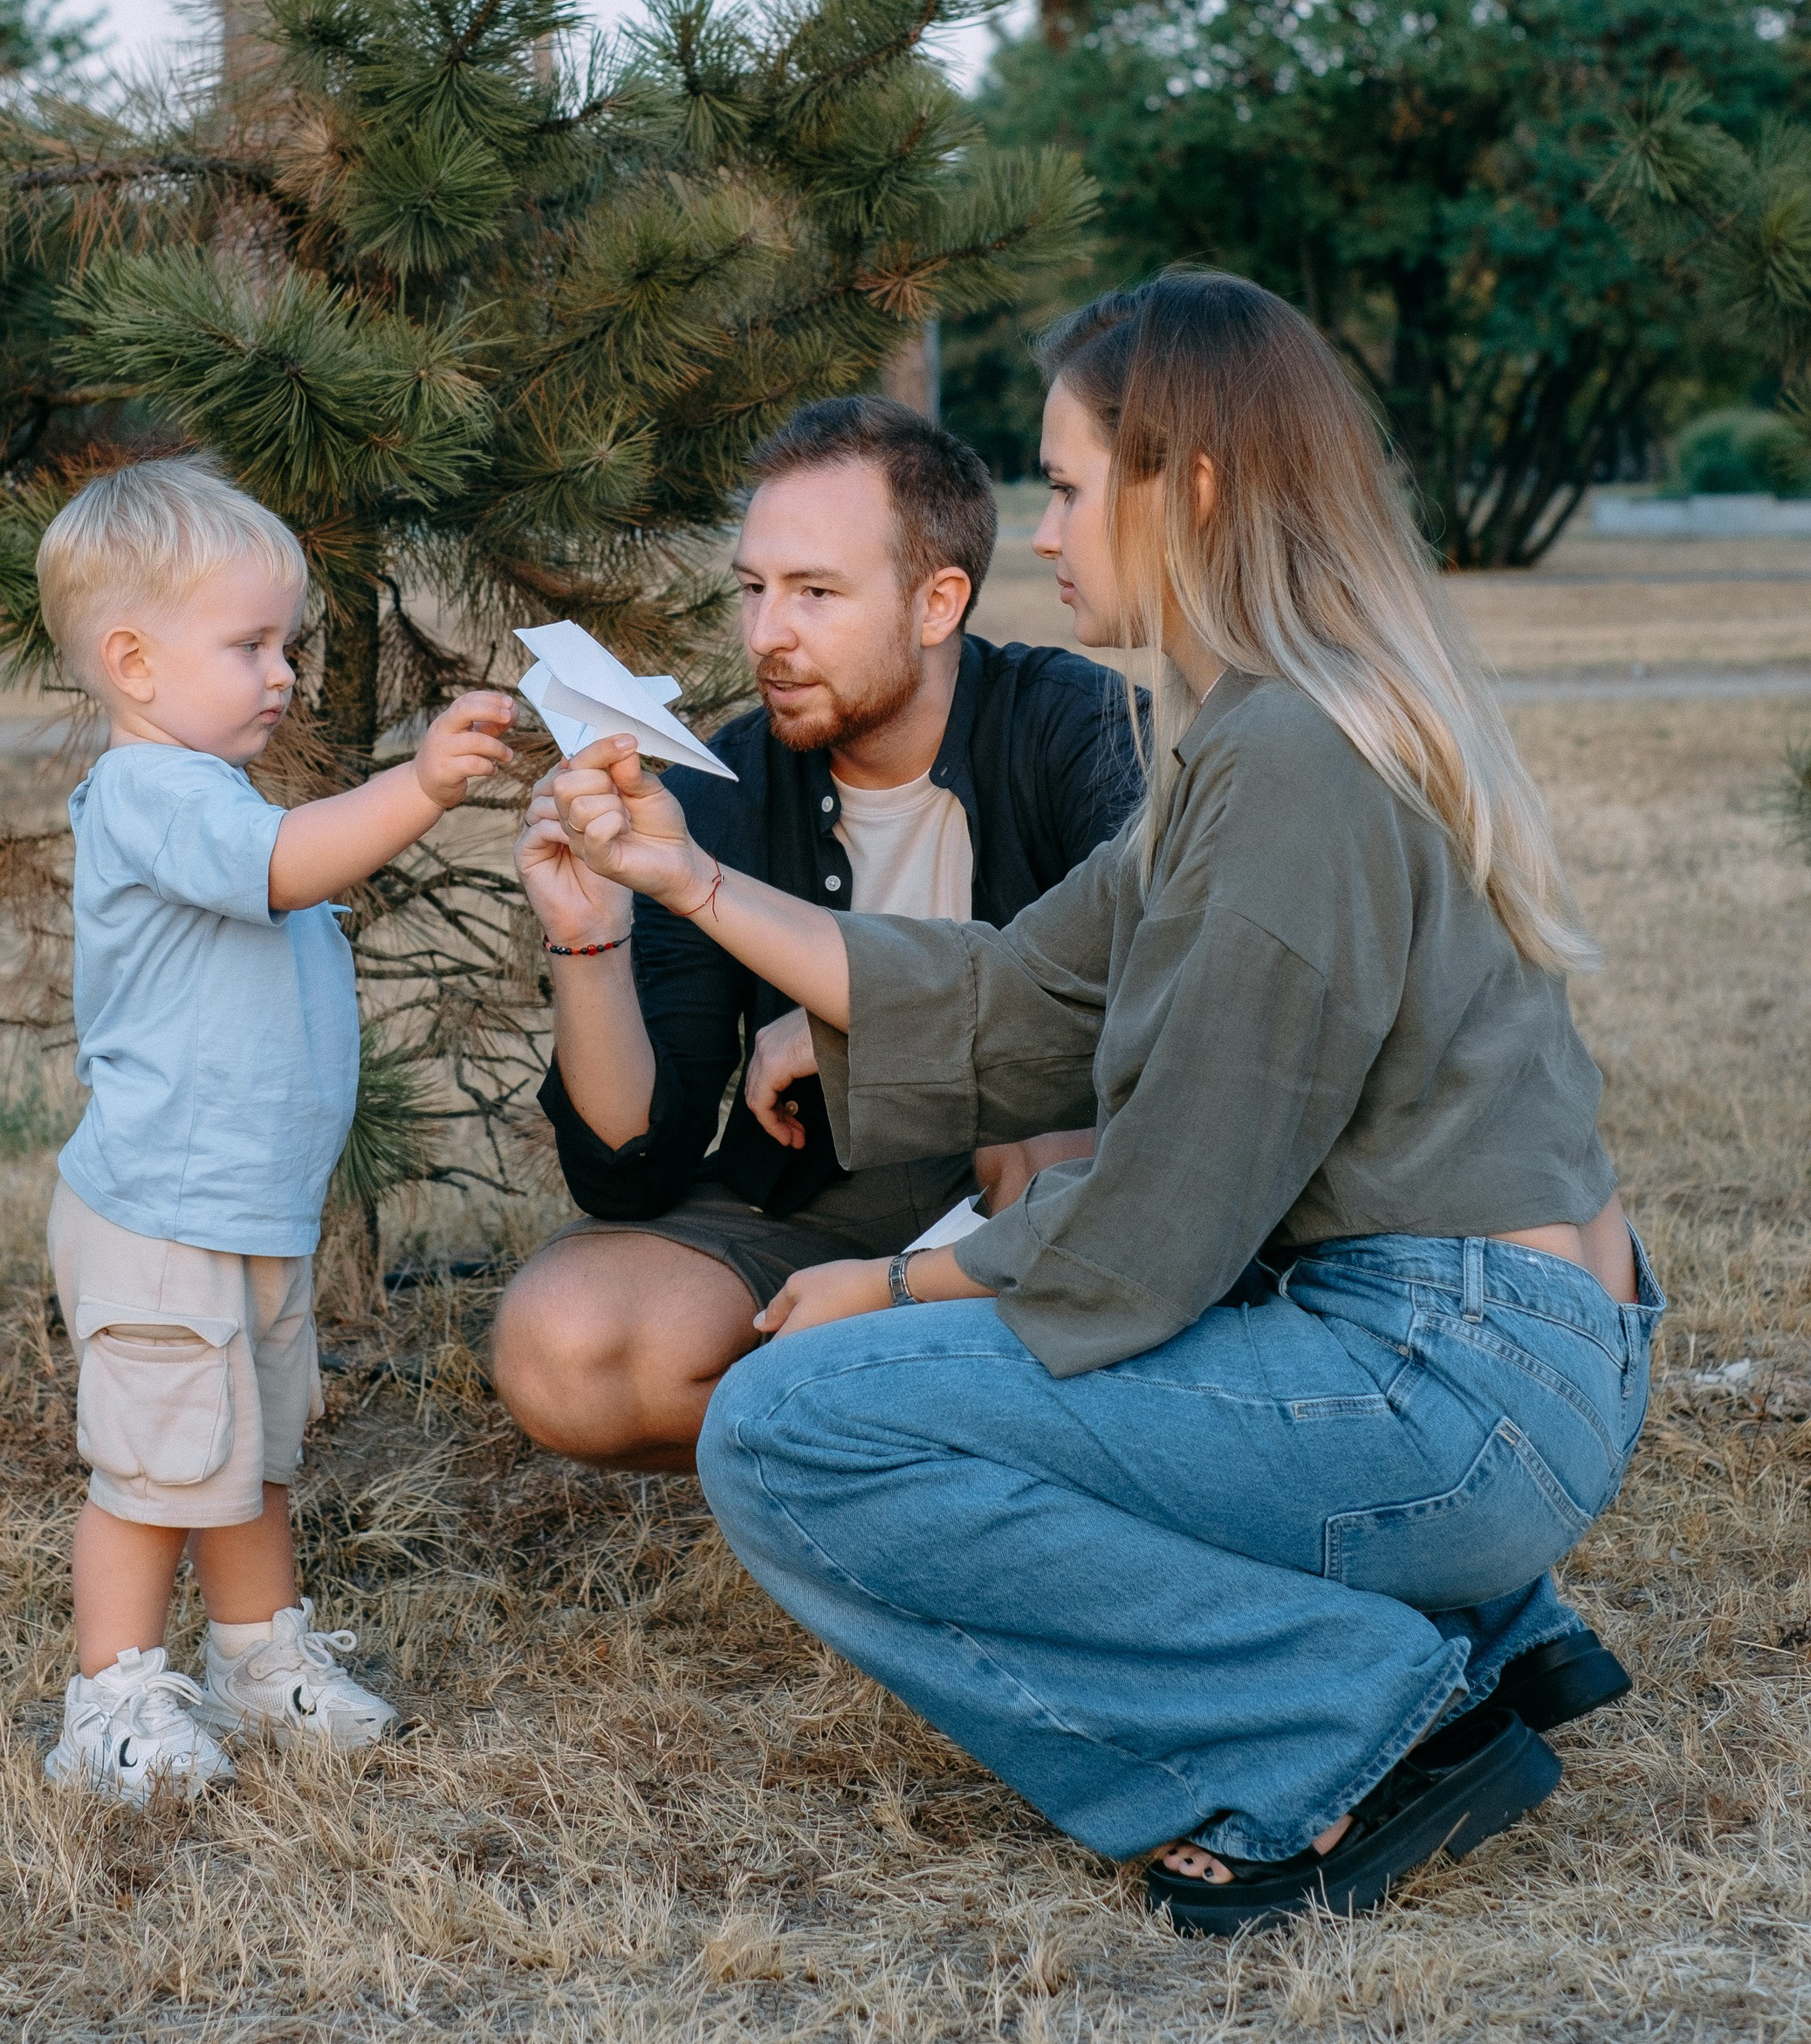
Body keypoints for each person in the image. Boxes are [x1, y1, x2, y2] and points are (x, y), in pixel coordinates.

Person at [537, 276, 1657, 1936]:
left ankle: (1346, 1727)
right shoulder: (1263, 732)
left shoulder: (1288, 764)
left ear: (1188, 490)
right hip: (1501, 1358)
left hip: (1456, 1384)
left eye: (1067, 486)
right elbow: (1013, 1003)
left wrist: (888, 1287)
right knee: (904, 1370)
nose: (1041, 533)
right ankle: (1480, 1626)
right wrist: (685, 879)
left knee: (791, 1425)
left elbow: (1161, 1223)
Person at [496, 397, 1139, 1469]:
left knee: (1040, 1135)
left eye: (815, 594)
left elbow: (1151, 1002)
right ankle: (920, 1434)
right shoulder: (726, 789)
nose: (765, 637)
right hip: (826, 1194)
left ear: (937, 603)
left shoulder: (1080, 730)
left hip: (1050, 1196)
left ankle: (921, 1425)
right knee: (568, 1344)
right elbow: (631, 1175)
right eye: (752, 589)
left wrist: (849, 1033)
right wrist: (589, 938)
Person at [35, 455, 514, 1799]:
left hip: (243, 1202)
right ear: (132, 661)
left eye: (285, 644)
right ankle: (110, 1703)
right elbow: (286, 866)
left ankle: (258, 1655)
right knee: (153, 1468)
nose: (283, 673)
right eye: (248, 644)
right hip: (162, 1210)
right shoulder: (154, 796)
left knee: (249, 1449)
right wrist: (421, 787)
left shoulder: (212, 789)